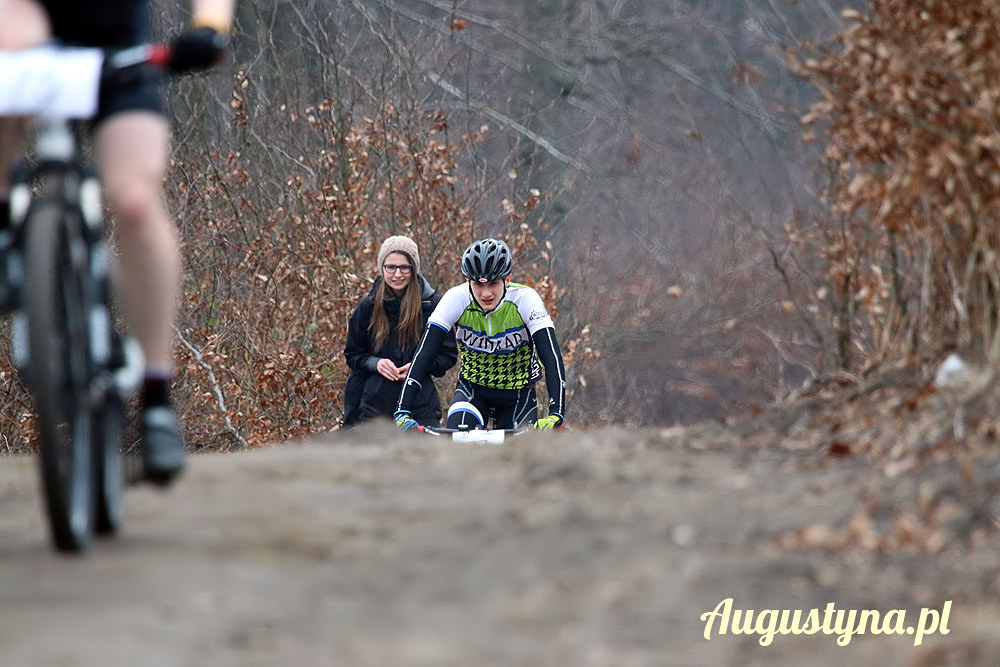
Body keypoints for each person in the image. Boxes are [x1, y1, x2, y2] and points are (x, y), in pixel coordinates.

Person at [0, 0, 234, 484]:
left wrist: (210, 25)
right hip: (25, 35)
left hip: (118, 42)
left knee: (134, 201)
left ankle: (156, 397)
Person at [394, 238, 567, 432]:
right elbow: (424, 354)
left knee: (518, 455)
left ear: (507, 279)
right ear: (468, 281)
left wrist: (556, 413)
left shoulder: (525, 300)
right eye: (478, 284)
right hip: (473, 390)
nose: (486, 293)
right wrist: (402, 411)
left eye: (493, 283)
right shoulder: (456, 298)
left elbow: (551, 357)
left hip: (518, 394)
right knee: (461, 440)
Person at [343, 235, 457, 427]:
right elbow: (353, 355)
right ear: (382, 268)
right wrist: (375, 363)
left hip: (422, 406)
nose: (397, 274)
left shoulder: (433, 305)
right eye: (391, 267)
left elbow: (448, 355)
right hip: (374, 407)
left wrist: (420, 365)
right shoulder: (366, 307)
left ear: (414, 269)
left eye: (404, 267)